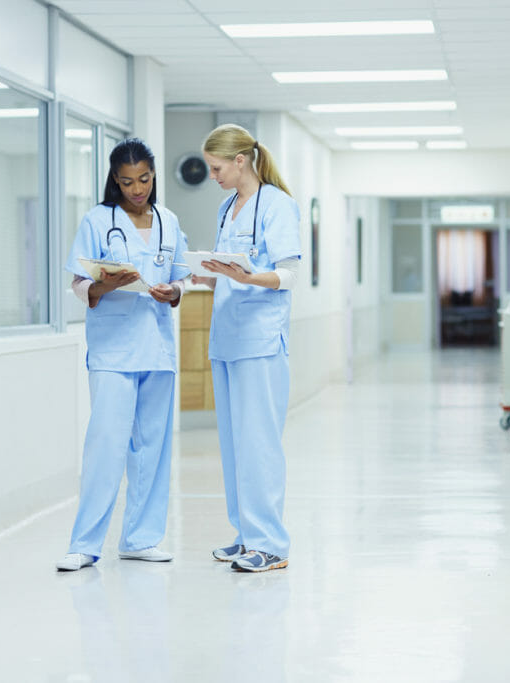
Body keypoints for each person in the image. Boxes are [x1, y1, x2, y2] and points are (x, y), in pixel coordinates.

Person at [56, 138, 191, 572]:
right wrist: (103, 285)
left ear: (153, 175)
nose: (138, 189)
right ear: (115, 179)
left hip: (158, 348)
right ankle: (84, 544)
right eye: (128, 181)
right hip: (114, 349)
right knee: (106, 445)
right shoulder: (98, 220)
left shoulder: (169, 222)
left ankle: (141, 538)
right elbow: (80, 285)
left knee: (152, 447)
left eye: (145, 179)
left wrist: (174, 292)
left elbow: (179, 281)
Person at [192, 124, 301, 573]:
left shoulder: (278, 205)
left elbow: (288, 273)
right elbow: (230, 266)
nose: (212, 175)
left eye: (217, 167)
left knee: (259, 445)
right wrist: (207, 273)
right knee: (235, 445)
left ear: (241, 161)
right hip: (227, 340)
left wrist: (246, 278)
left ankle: (271, 544)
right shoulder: (225, 208)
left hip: (259, 341)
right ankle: (246, 534)